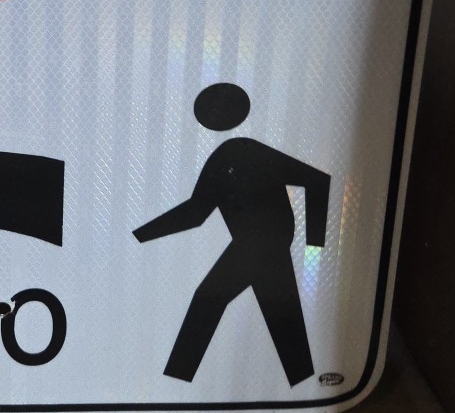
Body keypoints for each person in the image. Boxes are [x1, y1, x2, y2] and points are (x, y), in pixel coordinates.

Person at [134, 83, 329, 386]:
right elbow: (196, 213)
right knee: (281, 310)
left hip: (261, 242)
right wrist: (141, 235)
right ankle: (303, 381)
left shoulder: (243, 150)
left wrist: (315, 245)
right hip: (260, 243)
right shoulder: (222, 157)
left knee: (208, 299)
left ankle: (176, 381)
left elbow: (317, 180)